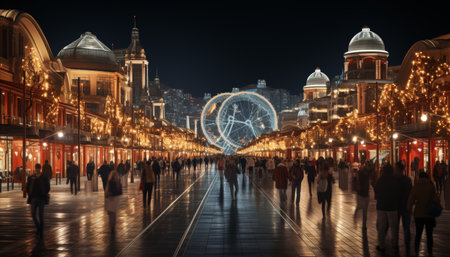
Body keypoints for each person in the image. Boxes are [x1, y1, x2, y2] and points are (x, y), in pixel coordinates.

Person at [408, 172, 440, 256]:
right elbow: (436, 200)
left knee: (418, 234)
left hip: (418, 214)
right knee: (429, 234)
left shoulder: (416, 186)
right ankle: (430, 251)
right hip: (429, 214)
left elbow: (410, 200)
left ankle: (416, 250)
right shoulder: (431, 186)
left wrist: (409, 210)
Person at [374, 163, 400, 255]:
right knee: (394, 226)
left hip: (381, 206)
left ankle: (381, 245)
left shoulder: (380, 180)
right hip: (392, 206)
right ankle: (395, 243)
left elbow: (376, 191)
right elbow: (398, 192)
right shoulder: (395, 180)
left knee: (381, 226)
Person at [393, 161, 413, 256]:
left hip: (397, 206)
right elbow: (411, 193)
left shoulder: (394, 180)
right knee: (406, 226)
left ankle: (396, 242)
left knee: (396, 226)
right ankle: (407, 243)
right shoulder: (408, 180)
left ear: (398, 169)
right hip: (405, 206)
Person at [26, 163, 50, 239]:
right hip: (33, 198)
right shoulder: (31, 177)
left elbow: (48, 187)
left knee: (41, 215)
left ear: (40, 169)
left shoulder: (44, 177)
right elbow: (27, 186)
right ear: (35, 169)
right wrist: (29, 193)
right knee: (33, 214)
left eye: (38, 168)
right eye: (36, 168)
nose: (37, 170)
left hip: (41, 198)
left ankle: (41, 231)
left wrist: (45, 192)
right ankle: (39, 228)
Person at [354, 161, 371, 230]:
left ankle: (364, 225)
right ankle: (356, 211)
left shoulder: (366, 172)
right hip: (361, 192)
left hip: (365, 192)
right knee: (362, 207)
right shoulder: (361, 173)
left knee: (365, 210)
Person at [105, 168, 121, 233]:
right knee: (114, 213)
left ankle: (112, 226)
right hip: (115, 199)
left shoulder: (110, 182)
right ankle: (113, 226)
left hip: (110, 199)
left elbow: (106, 192)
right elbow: (120, 192)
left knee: (111, 214)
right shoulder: (118, 182)